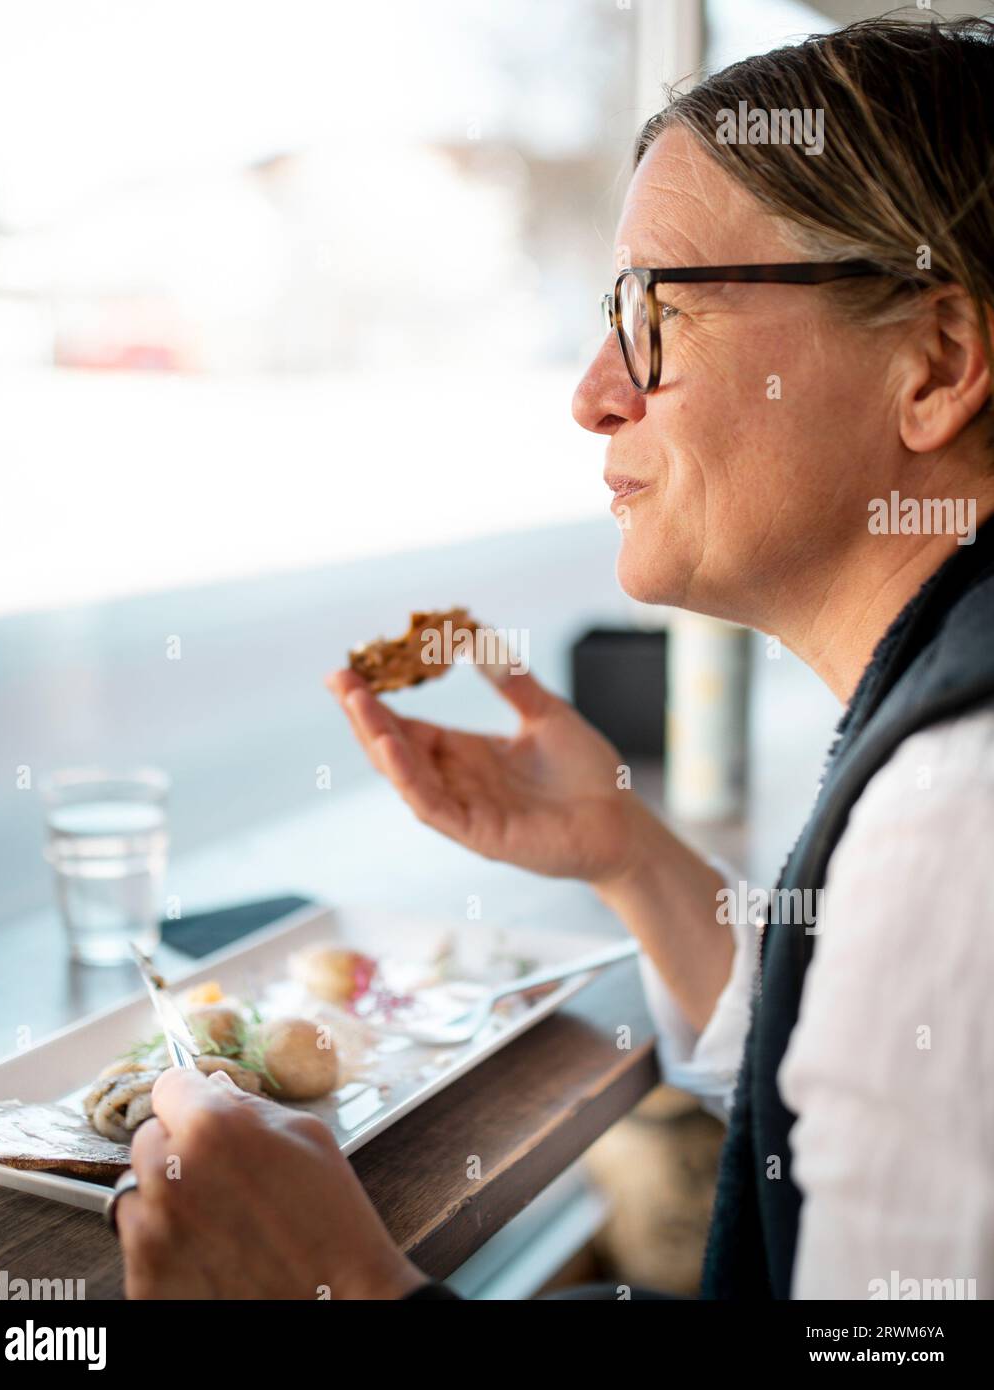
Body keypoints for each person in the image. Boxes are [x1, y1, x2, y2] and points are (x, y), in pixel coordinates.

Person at [113, 17, 994, 1299]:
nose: (592, 391)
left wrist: (335, 1290)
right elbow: (863, 1073)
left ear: (936, 363)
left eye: (659, 310)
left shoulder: (952, 815)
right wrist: (624, 851)